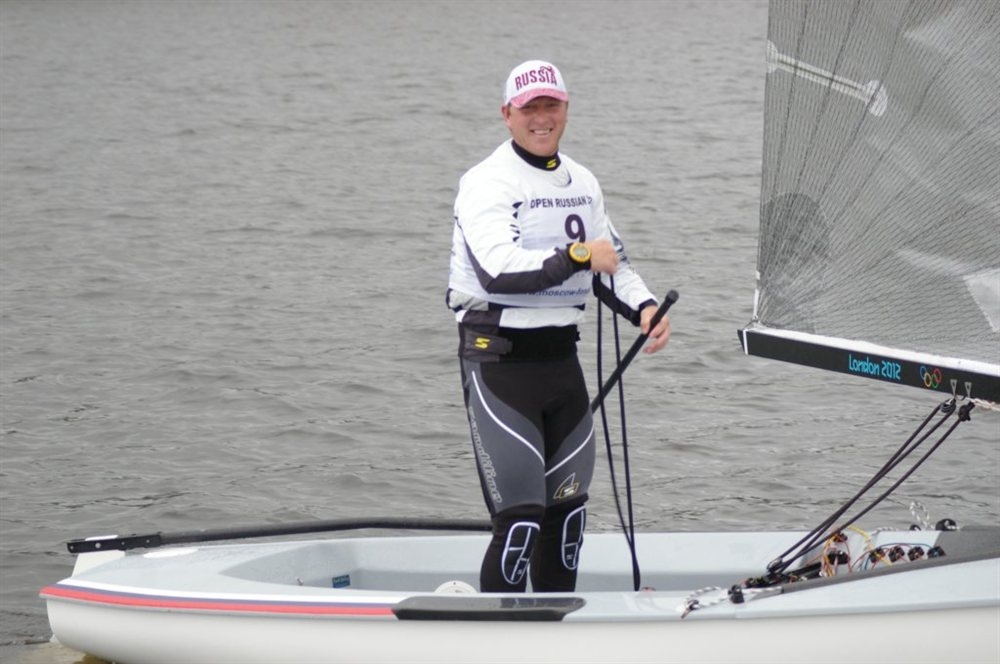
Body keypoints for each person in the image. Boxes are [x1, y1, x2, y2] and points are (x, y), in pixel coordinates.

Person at [447, 59, 670, 593]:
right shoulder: (486, 182)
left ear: (566, 110)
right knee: (521, 524)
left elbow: (612, 264)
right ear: (507, 114)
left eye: (551, 105)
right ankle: (497, 635)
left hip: (561, 365)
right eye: (529, 108)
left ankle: (553, 631)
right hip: (501, 365)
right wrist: (577, 254)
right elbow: (498, 270)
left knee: (567, 524)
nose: (541, 118)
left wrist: (644, 308)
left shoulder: (583, 182)